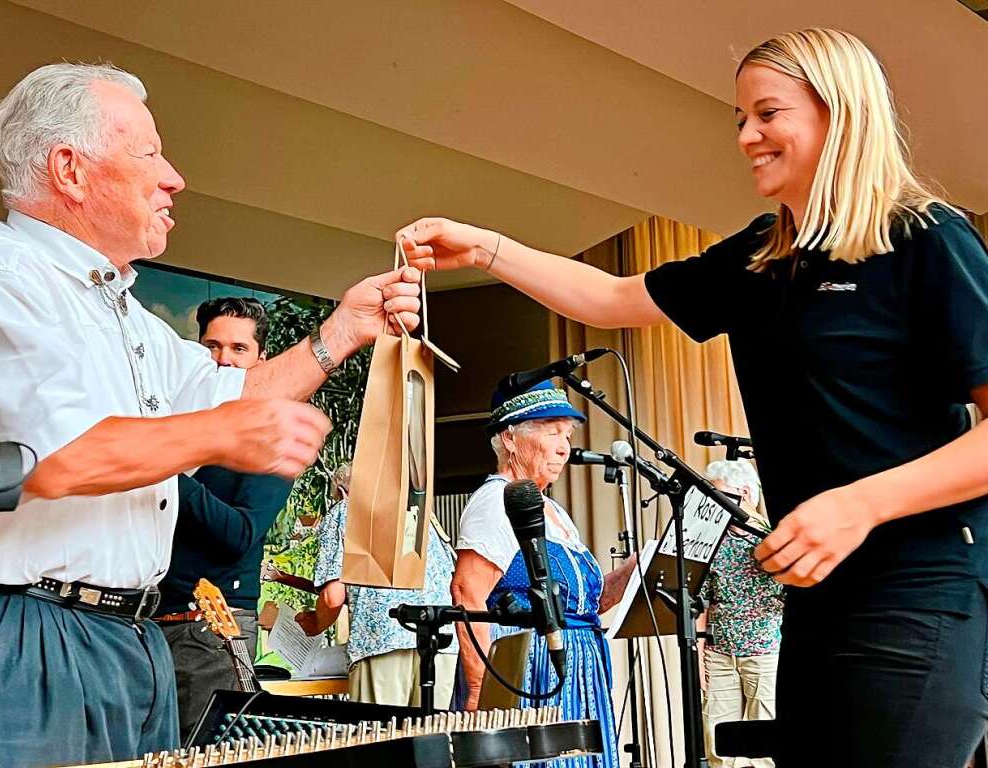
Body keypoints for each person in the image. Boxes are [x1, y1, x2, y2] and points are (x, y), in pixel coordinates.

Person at [398, 28, 988, 768]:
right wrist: (486, 249)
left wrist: (860, 503)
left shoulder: (926, 239)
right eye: (740, 118)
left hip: (920, 586)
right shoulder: (759, 256)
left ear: (839, 111)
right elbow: (613, 296)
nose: (747, 136)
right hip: (818, 598)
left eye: (767, 113)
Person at [0, 63, 421, 768]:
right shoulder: (1, 273)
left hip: (134, 639)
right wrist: (227, 435)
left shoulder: (124, 313)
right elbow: (57, 456)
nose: (173, 177)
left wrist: (344, 330)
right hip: (40, 635)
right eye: (150, 152)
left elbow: (236, 394)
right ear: (70, 169)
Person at [452, 381, 637, 768]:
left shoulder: (553, 510)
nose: (564, 446)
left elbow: (587, 603)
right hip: (530, 671)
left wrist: (636, 568)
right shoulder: (495, 501)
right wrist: (479, 695)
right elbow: (468, 594)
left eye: (566, 434)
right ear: (510, 438)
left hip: (578, 672)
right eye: (551, 431)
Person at [154, 297, 293, 742]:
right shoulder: (181, 423)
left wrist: (160, 467)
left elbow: (241, 534)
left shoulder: (271, 438)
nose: (223, 360)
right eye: (212, 346)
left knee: (207, 752)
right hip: (146, 622)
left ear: (261, 359)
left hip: (211, 629)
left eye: (238, 349)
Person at [290, 463, 459, 708]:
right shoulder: (420, 514)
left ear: (343, 492)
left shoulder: (344, 512)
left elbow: (332, 597)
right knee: (429, 740)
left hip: (381, 641)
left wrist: (317, 623)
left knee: (380, 739)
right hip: (439, 643)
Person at [697, 460, 782, 768]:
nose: (711, 502)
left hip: (765, 652)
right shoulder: (712, 541)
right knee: (719, 743)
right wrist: (699, 655)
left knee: (767, 747)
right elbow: (702, 602)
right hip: (720, 655)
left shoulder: (772, 537)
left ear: (744, 492)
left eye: (717, 494)